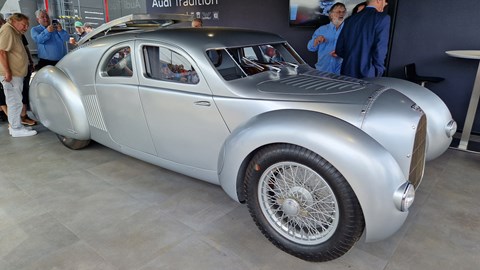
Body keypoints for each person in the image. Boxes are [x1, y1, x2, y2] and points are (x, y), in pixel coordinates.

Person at [0, 13, 37, 137]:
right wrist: (8, 72)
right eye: (24, 25)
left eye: (27, 25)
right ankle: (16, 128)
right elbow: (2, 52)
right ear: (14, 21)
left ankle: (16, 127)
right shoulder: (8, 30)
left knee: (15, 101)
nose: (26, 28)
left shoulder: (14, 31)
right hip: (12, 75)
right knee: (14, 102)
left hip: (16, 74)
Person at [335, 0, 390, 78]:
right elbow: (380, 49)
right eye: (385, 1)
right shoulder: (382, 19)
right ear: (378, 0)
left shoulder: (349, 20)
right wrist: (378, 73)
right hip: (368, 74)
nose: (385, 4)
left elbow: (339, 49)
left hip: (346, 71)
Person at [307, 2, 346, 74]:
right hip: (322, 71)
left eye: (343, 12)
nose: (341, 14)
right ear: (331, 15)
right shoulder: (321, 30)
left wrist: (341, 53)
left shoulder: (349, 30)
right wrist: (316, 40)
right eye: (338, 12)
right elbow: (310, 48)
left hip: (341, 71)